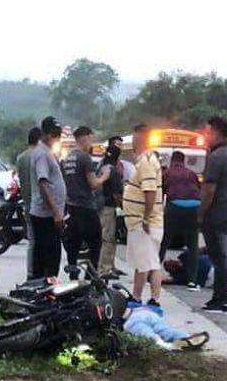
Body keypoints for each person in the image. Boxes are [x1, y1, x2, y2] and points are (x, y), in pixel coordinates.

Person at [198, 115, 227, 314]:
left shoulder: (216, 157)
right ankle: (219, 297)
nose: (205, 136)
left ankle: (221, 300)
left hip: (217, 212)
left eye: (207, 132)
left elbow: (209, 190)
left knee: (219, 257)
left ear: (216, 133)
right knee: (222, 256)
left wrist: (200, 213)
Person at [123, 123, 164, 307]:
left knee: (148, 263)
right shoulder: (144, 160)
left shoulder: (147, 161)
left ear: (140, 139)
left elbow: (150, 192)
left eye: (135, 138)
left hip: (145, 223)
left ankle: (149, 298)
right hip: (141, 223)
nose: (133, 142)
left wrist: (146, 218)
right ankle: (140, 296)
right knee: (146, 262)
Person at [61, 125, 110, 270]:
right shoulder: (84, 158)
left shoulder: (67, 158)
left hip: (71, 206)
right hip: (86, 207)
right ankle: (92, 274)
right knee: (95, 242)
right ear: (86, 138)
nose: (91, 143)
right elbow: (93, 184)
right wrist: (104, 176)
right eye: (90, 140)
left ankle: (73, 270)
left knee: (74, 243)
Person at [29, 117, 66, 278]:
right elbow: (42, 183)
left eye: (57, 134)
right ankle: (45, 290)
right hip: (46, 215)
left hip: (48, 215)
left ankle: (44, 286)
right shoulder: (42, 154)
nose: (55, 137)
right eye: (52, 134)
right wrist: (56, 212)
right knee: (49, 257)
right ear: (44, 133)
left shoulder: (47, 152)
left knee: (47, 255)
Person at [160, 150, 201, 289]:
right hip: (194, 208)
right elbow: (198, 191)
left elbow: (161, 193)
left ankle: (153, 274)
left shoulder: (167, 173)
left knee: (164, 241)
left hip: (175, 207)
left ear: (172, 160)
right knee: (192, 245)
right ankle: (192, 280)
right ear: (184, 161)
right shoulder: (191, 173)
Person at [123, 305, 209, 351]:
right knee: (165, 331)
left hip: (130, 319)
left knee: (146, 333)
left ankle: (166, 346)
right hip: (147, 312)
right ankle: (186, 337)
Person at [15, 128, 41, 277]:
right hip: (39, 206)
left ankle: (30, 272)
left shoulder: (21, 158)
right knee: (41, 243)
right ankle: (39, 273)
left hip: (27, 204)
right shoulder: (37, 157)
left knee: (32, 242)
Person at [98, 136, 124, 276]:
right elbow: (116, 193)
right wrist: (123, 207)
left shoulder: (102, 166)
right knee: (108, 238)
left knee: (107, 237)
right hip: (108, 207)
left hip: (100, 206)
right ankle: (105, 268)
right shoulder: (112, 171)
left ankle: (109, 266)